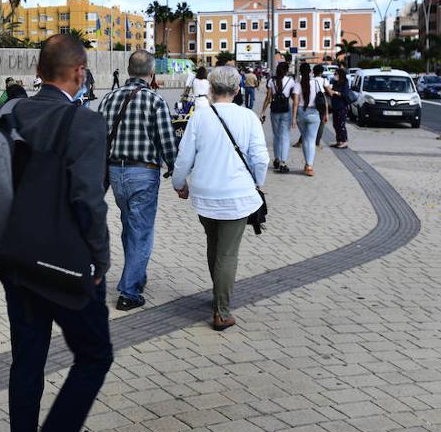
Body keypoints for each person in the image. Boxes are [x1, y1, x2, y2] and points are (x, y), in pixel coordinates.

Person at [0, 33, 112, 432]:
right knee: (95, 354)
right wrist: (101, 259)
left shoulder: (11, 113)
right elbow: (88, 200)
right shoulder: (86, 122)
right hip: (64, 263)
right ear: (79, 72)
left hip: (14, 259)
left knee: (28, 360)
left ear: (40, 71)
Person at [172, 66, 268, 330]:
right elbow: (260, 158)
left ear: (211, 90)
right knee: (227, 253)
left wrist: (178, 184)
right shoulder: (248, 117)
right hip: (236, 195)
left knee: (213, 245)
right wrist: (258, 184)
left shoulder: (200, 117)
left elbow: (184, 157)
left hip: (205, 194)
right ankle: (222, 312)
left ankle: (218, 295)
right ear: (238, 90)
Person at [97, 50, 175, 312]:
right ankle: (129, 292)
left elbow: (99, 137)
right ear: (151, 72)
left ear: (128, 70)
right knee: (140, 230)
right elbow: (167, 141)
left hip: (115, 173)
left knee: (130, 226)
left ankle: (137, 277)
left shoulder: (109, 99)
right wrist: (177, 172)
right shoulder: (155, 100)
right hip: (143, 173)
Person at [260, 62, 297, 174]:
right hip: (286, 110)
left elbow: (268, 97)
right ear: (286, 70)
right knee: (285, 136)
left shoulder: (271, 81)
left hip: (274, 110)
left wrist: (262, 111)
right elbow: (293, 97)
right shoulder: (290, 81)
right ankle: (283, 162)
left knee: (276, 135)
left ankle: (276, 159)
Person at [295, 63, 326, 176]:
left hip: (301, 112)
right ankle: (309, 165)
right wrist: (325, 114)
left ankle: (307, 164)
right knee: (311, 140)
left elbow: (295, 103)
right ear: (310, 71)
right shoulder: (317, 83)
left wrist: (293, 118)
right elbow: (323, 99)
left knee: (305, 139)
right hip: (314, 112)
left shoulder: (298, 84)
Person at [328, 67, 350, 149]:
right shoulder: (335, 82)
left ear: (340, 74)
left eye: (336, 74)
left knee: (341, 124)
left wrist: (336, 92)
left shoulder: (345, 83)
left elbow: (344, 94)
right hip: (335, 106)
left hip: (342, 107)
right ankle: (339, 141)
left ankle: (344, 141)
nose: (334, 75)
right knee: (335, 124)